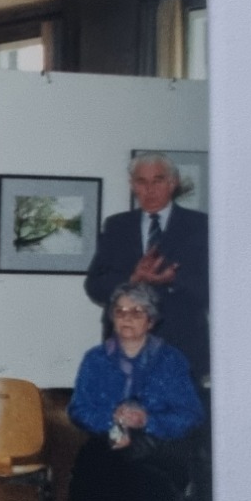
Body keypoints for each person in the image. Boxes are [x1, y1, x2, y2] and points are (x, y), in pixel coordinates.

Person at [68, 282, 206, 501]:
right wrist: (110, 419)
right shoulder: (95, 359)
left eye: (136, 312)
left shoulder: (172, 360)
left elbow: (191, 415)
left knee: (149, 486)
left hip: (157, 447)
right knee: (89, 476)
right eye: (120, 312)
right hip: (109, 442)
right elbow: (78, 409)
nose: (127, 318)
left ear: (151, 320)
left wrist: (147, 420)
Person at [85, 153, 210, 385]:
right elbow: (94, 286)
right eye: (141, 182)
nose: (149, 190)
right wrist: (133, 278)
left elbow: (212, 289)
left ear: (173, 183)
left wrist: (171, 280)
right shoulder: (117, 226)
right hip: (125, 347)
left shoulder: (200, 226)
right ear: (132, 185)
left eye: (158, 181)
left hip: (183, 346)